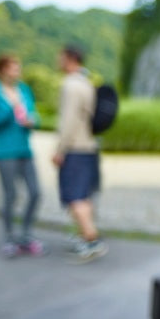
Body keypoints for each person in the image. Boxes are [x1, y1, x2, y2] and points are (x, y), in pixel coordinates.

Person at [0, 54, 45, 258]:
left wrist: (32, 120)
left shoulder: (24, 90)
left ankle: (26, 234)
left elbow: (34, 115)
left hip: (24, 150)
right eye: (13, 68)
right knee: (11, 195)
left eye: (18, 68)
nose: (17, 72)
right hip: (5, 152)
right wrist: (11, 108)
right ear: (2, 70)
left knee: (35, 193)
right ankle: (9, 238)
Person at [53, 45, 108, 262]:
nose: (58, 61)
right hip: (90, 146)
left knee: (74, 196)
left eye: (60, 57)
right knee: (84, 195)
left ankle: (92, 240)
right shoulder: (87, 82)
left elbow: (68, 121)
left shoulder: (71, 85)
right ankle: (85, 238)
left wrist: (60, 149)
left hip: (75, 147)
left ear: (69, 59)